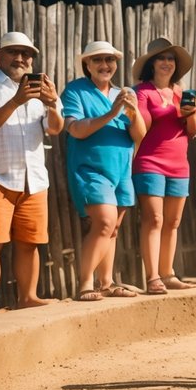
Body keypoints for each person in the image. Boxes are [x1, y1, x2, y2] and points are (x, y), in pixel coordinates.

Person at [0, 31, 64, 316]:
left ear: (32, 59)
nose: (20, 58)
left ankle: (28, 297)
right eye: (13, 52)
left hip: (33, 178)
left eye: (26, 54)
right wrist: (16, 101)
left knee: (29, 243)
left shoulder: (41, 90)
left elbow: (55, 128)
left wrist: (51, 101)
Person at [61, 41, 146, 301]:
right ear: (87, 64)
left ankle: (106, 283)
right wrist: (112, 112)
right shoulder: (75, 91)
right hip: (91, 169)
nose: (105, 65)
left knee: (114, 228)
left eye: (110, 59)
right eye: (97, 60)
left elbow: (139, 135)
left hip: (121, 170)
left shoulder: (123, 92)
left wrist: (132, 112)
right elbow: (75, 129)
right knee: (104, 222)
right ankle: (86, 284)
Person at [132, 36, 196, 295]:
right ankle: (152, 278)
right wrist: (170, 112)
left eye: (171, 59)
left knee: (172, 221)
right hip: (150, 162)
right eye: (161, 58)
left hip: (179, 165)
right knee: (154, 218)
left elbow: (193, 131)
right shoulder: (142, 92)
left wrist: (191, 113)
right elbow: (142, 128)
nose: (167, 62)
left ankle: (168, 273)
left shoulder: (185, 93)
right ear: (151, 63)